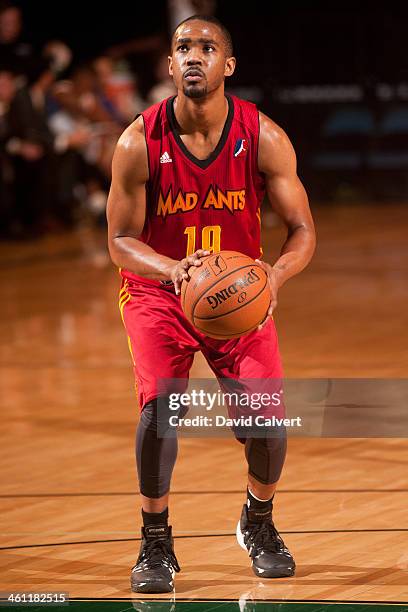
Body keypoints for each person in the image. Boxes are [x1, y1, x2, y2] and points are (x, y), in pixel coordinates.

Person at [107, 15, 315, 593]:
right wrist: (172, 270)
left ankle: (259, 520)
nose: (192, 55)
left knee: (268, 427)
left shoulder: (263, 135)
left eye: (206, 47)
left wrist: (274, 277)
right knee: (160, 414)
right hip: (160, 293)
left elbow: (301, 229)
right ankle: (155, 542)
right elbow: (119, 242)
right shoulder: (137, 141)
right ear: (169, 67)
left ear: (228, 66)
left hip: (239, 296)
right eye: (181, 48)